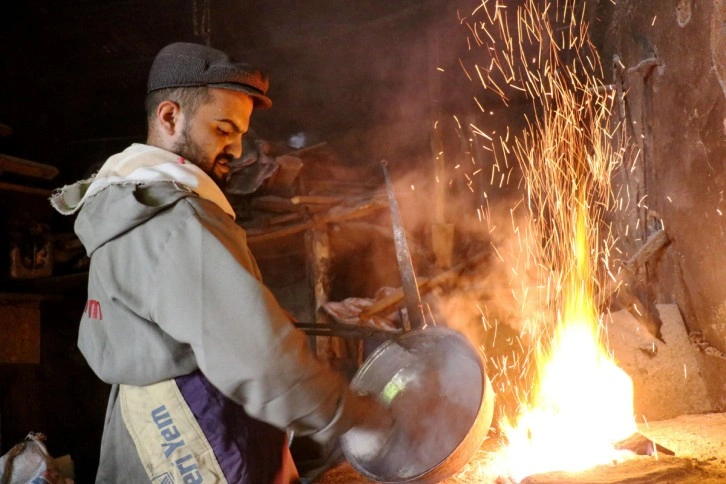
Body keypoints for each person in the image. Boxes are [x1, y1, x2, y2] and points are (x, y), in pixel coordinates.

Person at [50, 42, 392, 483]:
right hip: (197, 440)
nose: (236, 147)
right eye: (224, 128)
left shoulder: (124, 201)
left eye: (241, 133)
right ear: (170, 117)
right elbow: (262, 360)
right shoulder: (177, 220)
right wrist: (362, 417)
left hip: (140, 435)